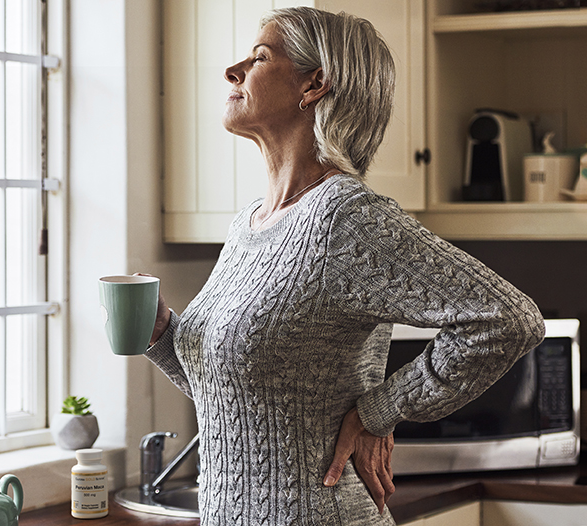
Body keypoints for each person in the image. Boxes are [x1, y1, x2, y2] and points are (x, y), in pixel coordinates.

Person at [143, 6, 546, 526]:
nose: (233, 70)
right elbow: (237, 401)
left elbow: (508, 317)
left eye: (260, 57)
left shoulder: (345, 220)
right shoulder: (249, 225)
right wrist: (161, 338)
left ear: (314, 85)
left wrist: (380, 410)